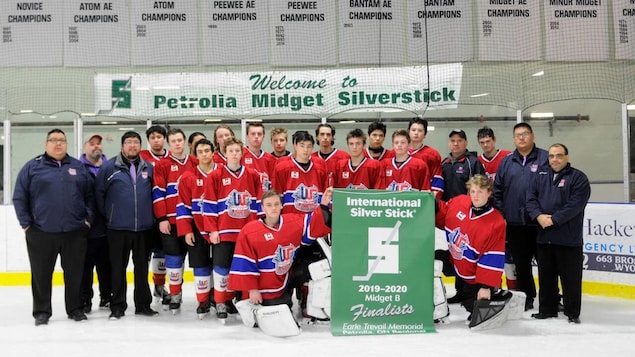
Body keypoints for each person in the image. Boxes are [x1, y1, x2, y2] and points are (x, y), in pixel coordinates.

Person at [13, 129, 94, 326]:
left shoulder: (77, 166)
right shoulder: (33, 167)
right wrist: (26, 224)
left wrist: (87, 220)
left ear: (67, 144)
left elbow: (90, 196)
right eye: (53, 140)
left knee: (74, 273)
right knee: (41, 274)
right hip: (41, 232)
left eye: (62, 140)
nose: (58, 144)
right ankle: (42, 311)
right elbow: (19, 196)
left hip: (74, 232)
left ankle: (74, 309)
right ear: (46, 144)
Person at [229, 188, 333, 308]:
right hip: (263, 288)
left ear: (281, 205)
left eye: (276, 204)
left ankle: (307, 302)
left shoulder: (292, 222)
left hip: (285, 279)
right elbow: (245, 263)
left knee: (320, 266)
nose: (273, 208)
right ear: (262, 208)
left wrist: (324, 203)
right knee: (274, 312)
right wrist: (253, 290)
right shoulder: (249, 231)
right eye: (269, 205)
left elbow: (314, 222)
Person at [95, 131, 158, 319]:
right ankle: (118, 306)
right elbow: (99, 195)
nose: (133, 146)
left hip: (144, 229)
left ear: (140, 145)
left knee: (141, 269)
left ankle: (143, 305)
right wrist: (111, 216)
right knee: (117, 269)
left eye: (136, 142)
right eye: (129, 142)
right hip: (117, 229)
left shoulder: (149, 168)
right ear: (122, 146)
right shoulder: (108, 168)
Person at [526, 144, 590, 324]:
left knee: (570, 279)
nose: (555, 159)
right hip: (544, 238)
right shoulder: (540, 176)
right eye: (552, 156)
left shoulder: (578, 178)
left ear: (567, 157)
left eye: (559, 155)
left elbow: (575, 205)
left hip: (568, 239)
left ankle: (572, 312)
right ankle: (547, 309)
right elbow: (530, 199)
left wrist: (553, 220)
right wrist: (538, 216)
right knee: (546, 277)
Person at [203, 138, 262, 319]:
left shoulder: (252, 175)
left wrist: (259, 227)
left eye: (237, 151)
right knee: (222, 268)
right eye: (231, 151)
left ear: (242, 153)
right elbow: (210, 204)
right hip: (224, 232)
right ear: (224, 153)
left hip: (247, 233)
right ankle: (221, 301)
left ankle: (243, 302)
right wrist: (212, 230)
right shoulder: (215, 176)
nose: (234, 154)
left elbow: (259, 203)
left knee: (245, 268)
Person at [494, 123, 549, 311]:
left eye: (525, 134)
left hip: (540, 223)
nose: (522, 138)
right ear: (513, 139)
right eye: (518, 135)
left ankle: (551, 298)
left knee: (546, 264)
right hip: (515, 224)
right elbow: (498, 190)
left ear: (532, 135)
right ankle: (527, 297)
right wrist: (503, 214)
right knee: (522, 265)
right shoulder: (507, 162)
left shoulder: (545, 158)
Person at [273, 130, 328, 319]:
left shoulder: (320, 168)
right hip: (290, 227)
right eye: (301, 145)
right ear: (294, 146)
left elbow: (322, 199)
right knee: (287, 266)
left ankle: (308, 302)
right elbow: (275, 198)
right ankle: (285, 302)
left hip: (314, 228)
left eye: (309, 146)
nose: (305, 150)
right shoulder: (282, 167)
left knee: (312, 267)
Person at [435, 175, 506, 318]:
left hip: (474, 275)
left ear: (489, 193)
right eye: (473, 191)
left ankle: (495, 292)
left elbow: (491, 258)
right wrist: (431, 203)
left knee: (472, 308)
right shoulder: (459, 203)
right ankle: (435, 305)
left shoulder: (496, 223)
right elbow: (443, 212)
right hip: (456, 262)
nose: (476, 196)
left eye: (480, 191)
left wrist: (485, 286)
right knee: (432, 260)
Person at [153, 128, 197, 312]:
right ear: (168, 144)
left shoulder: (195, 162)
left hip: (193, 223)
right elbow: (157, 192)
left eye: (180, 140)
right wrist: (162, 217)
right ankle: (175, 294)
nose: (177, 144)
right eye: (173, 141)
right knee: (173, 260)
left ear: (185, 141)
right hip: (171, 222)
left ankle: (206, 296)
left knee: (199, 262)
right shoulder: (162, 165)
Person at [176, 139, 220, 319]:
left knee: (220, 265)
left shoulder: (222, 173)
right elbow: (183, 206)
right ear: (195, 154)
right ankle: (203, 301)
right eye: (200, 151)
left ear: (213, 152)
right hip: (197, 228)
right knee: (201, 265)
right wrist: (186, 230)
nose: (204, 154)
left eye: (207, 150)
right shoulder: (188, 178)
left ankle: (220, 300)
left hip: (219, 228)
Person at [476, 126, 514, 290]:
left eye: (488, 141)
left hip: (505, 212)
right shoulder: (477, 161)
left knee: (510, 254)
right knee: (490, 254)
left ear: (494, 140)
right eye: (482, 142)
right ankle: (494, 287)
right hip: (485, 215)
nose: (485, 145)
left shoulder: (508, 157)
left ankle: (514, 288)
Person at [79, 133, 112, 313]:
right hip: (86, 229)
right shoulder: (77, 168)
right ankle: (85, 300)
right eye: (92, 144)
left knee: (106, 266)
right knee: (85, 268)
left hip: (108, 228)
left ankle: (107, 297)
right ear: (84, 147)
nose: (96, 147)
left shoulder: (111, 167)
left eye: (99, 144)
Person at [139, 125, 171, 306]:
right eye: (152, 137)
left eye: (159, 137)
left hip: (164, 213)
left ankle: (159, 286)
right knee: (144, 255)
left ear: (164, 139)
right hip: (144, 213)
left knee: (161, 251)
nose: (156, 140)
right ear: (148, 140)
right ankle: (143, 290)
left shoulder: (171, 157)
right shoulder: (142, 156)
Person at [407, 117, 443, 197]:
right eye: (413, 130)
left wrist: (433, 195)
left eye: (420, 130)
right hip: (402, 199)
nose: (416, 133)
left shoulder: (433, 154)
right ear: (408, 132)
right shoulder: (398, 153)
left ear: (425, 134)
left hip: (424, 197)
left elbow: (437, 178)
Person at [243, 122, 276, 191]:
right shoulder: (240, 156)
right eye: (253, 134)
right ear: (247, 136)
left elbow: (273, 183)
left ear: (263, 136)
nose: (256, 136)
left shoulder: (270, 159)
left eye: (259, 134)